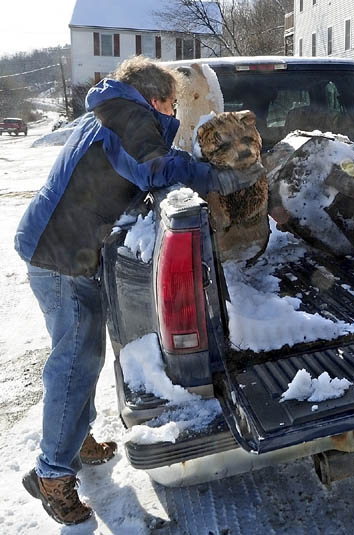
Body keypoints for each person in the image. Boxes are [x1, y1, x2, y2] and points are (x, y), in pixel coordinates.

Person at [14, 56, 263, 525]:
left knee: (79, 355)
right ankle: (51, 475)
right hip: (60, 256)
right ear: (153, 99)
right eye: (170, 105)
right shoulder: (128, 118)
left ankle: (71, 439)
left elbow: (144, 162)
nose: (173, 114)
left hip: (62, 248)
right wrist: (218, 178)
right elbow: (152, 169)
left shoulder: (115, 111)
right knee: (75, 360)